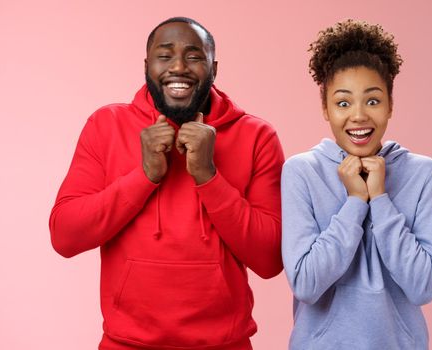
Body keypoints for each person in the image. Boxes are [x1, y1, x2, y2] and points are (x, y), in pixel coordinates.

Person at [49, 17, 284, 350]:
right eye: (165, 55)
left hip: (224, 344)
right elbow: (64, 236)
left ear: (213, 68)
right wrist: (144, 176)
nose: (178, 67)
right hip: (125, 344)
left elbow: (270, 258)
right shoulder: (106, 125)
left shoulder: (257, 135)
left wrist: (208, 176)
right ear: (146, 65)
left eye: (193, 56)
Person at [281, 19, 432, 349]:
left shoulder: (423, 174)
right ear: (325, 108)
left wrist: (380, 199)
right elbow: (306, 284)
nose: (358, 115)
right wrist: (355, 203)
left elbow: (423, 287)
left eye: (372, 100)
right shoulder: (301, 171)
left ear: (390, 105)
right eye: (343, 102)